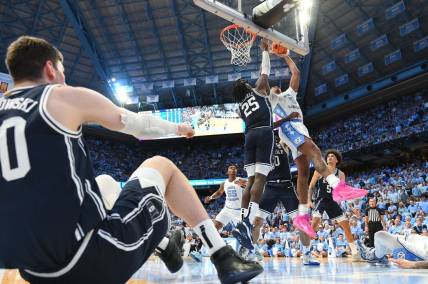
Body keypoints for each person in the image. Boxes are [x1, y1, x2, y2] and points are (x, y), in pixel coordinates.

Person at [0, 36, 263, 284]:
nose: (64, 78)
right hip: (89, 262)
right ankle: (223, 257)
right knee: (163, 166)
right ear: (49, 68)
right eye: (62, 71)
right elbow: (135, 125)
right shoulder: (58, 96)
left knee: (105, 183)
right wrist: (177, 129)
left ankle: (165, 244)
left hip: (34, 271)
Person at [269, 52, 368, 238]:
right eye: (271, 90)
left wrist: (284, 55)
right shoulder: (272, 103)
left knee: (304, 173)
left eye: (275, 88)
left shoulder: (289, 94)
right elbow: (270, 125)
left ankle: (301, 216)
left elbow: (296, 73)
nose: (274, 89)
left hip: (298, 128)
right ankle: (338, 186)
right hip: (290, 128)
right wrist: (266, 52)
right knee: (315, 151)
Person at [232, 39, 275, 251]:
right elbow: (265, 72)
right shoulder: (258, 89)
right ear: (247, 87)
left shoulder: (240, 107)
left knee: (250, 180)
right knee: (260, 178)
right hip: (264, 133)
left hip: (248, 136)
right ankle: (249, 220)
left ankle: (242, 218)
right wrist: (265, 51)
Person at [252, 134, 319, 265]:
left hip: (286, 186)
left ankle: (306, 254)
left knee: (301, 222)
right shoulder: (261, 149)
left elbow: (288, 133)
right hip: (270, 186)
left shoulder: (283, 144)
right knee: (256, 222)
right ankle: (252, 252)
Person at [308, 149, 360, 259]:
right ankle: (307, 252)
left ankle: (355, 253)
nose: (329, 157)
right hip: (321, 200)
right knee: (315, 224)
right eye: (328, 156)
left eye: (332, 156)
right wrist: (308, 200)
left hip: (332, 202)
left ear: (337, 160)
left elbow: (343, 192)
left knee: (346, 226)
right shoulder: (320, 170)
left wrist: (352, 207)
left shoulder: (340, 174)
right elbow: (311, 186)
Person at [204, 165, 246, 231]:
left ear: (236, 172)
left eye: (234, 168)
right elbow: (219, 193)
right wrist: (210, 197)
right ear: (227, 172)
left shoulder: (241, 181)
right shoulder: (224, 183)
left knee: (243, 233)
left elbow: (251, 188)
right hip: (227, 209)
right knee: (215, 228)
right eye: (231, 168)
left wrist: (246, 186)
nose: (233, 168)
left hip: (239, 211)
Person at [357, 231, 428, 267]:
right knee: (384, 239)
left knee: (380, 235)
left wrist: (413, 264)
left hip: (416, 252)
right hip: (415, 241)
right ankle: (379, 253)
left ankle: (374, 255)